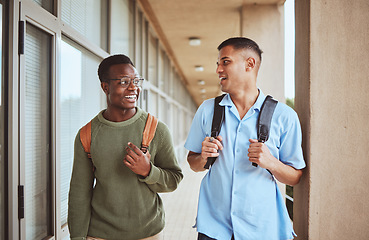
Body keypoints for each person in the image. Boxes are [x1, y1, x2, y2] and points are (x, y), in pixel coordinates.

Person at [185, 37, 306, 240]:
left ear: (249, 64)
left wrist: (271, 163)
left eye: (225, 62)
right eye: (218, 64)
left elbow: (295, 176)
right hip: (214, 228)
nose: (218, 70)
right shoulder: (207, 110)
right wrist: (203, 157)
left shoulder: (284, 116)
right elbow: (193, 163)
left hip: (262, 229)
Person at [68, 54, 183, 240]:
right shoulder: (87, 135)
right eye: (124, 81)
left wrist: (148, 171)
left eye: (136, 81)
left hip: (149, 233)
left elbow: (174, 180)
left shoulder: (156, 130)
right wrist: (78, 237)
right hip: (99, 235)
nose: (133, 88)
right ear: (105, 87)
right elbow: (79, 193)